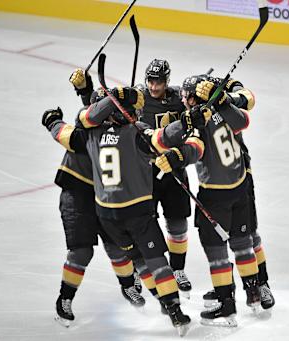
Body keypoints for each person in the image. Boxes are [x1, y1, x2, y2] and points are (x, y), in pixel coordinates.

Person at [42, 84, 206, 336]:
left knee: (129, 255)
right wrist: (185, 124)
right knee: (87, 252)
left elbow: (74, 124)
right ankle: (170, 306)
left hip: (105, 206)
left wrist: (53, 120)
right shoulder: (131, 132)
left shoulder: (89, 131)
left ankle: (148, 294)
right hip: (88, 198)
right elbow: (160, 138)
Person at [176, 74, 274, 327]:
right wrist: (223, 102)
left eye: (186, 97)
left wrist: (174, 156)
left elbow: (192, 150)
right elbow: (243, 119)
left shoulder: (195, 120)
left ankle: (226, 304)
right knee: (243, 241)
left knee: (216, 249)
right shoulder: (223, 109)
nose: (183, 101)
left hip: (215, 193)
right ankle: (253, 293)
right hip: (240, 185)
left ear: (193, 98)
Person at [49, 69, 145, 328]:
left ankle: (128, 286)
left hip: (103, 195)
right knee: (81, 251)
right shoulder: (89, 129)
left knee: (117, 246)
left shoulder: (113, 129)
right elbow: (75, 130)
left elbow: (95, 109)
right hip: (76, 192)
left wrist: (84, 91)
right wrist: (53, 121)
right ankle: (64, 299)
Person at [136, 59, 193, 297]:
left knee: (177, 221)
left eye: (158, 81)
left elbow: (195, 110)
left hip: (173, 169)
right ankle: (137, 272)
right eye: (150, 80)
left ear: (167, 81)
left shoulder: (178, 97)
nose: (153, 86)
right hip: (144, 172)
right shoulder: (138, 96)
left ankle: (177, 270)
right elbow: (106, 107)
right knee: (139, 224)